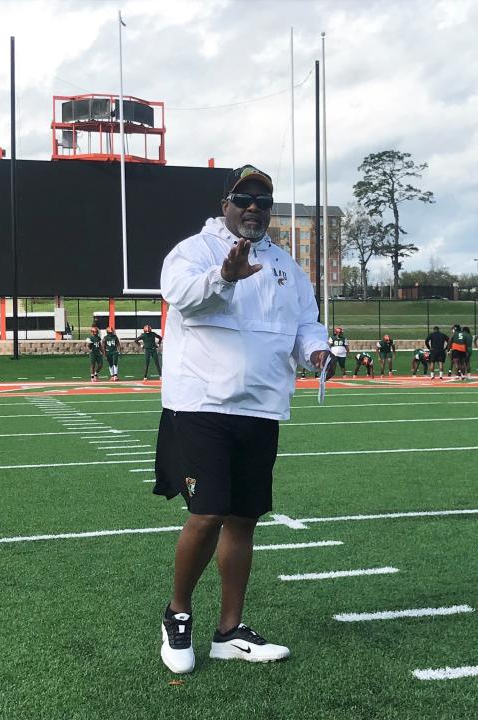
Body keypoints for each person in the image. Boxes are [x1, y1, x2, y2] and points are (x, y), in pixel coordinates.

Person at [152, 164, 332, 675]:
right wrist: (223, 276)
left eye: (263, 199)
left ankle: (229, 631)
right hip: (202, 403)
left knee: (243, 519)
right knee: (206, 513)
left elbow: (304, 322)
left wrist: (316, 351)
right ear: (225, 202)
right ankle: (177, 613)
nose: (254, 206)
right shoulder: (194, 251)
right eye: (244, 196)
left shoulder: (285, 265)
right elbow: (179, 296)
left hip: (261, 404)